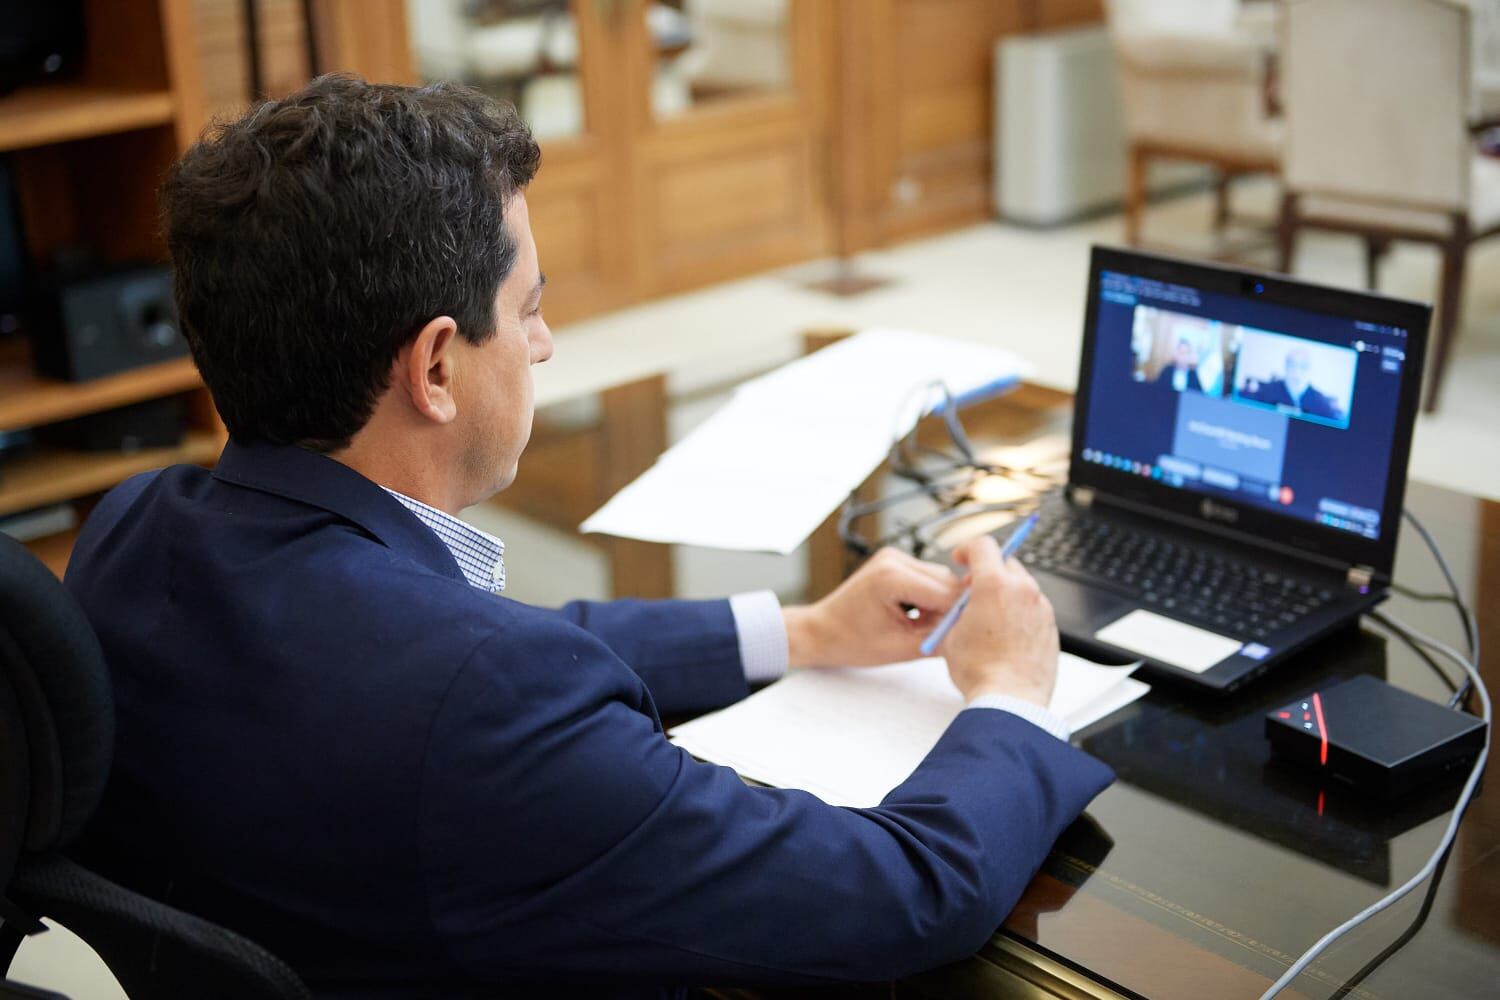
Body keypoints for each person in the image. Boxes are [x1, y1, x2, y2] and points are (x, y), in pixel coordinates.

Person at [65, 76, 1112, 998]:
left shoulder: (131, 534)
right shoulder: (485, 703)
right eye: (526, 309)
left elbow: (475, 649)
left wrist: (799, 632)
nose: (546, 342)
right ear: (435, 369)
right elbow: (905, 895)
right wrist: (1012, 696)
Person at [1241, 346, 1343, 419]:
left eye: (1303, 366)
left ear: (1309, 369)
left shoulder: (1320, 402)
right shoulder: (1267, 390)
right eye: (1292, 365)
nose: (1297, 372)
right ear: (1286, 366)